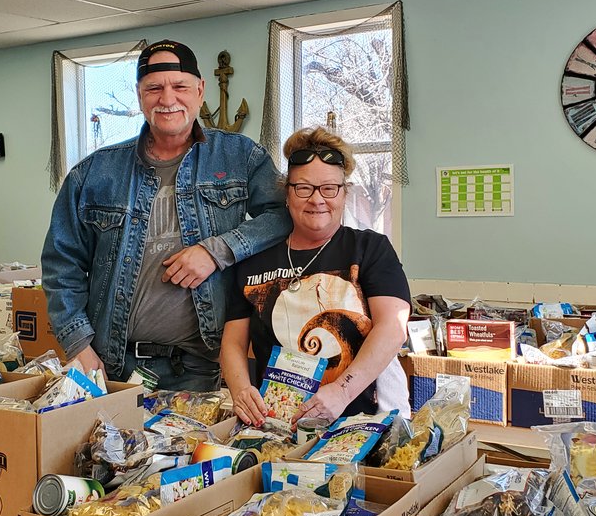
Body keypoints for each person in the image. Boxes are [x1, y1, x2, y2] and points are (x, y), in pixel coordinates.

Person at [42, 39, 292, 392]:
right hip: (113, 365)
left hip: (202, 366)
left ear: (200, 90)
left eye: (180, 86)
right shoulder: (94, 173)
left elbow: (284, 216)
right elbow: (61, 264)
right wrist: (77, 342)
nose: (167, 98)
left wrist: (217, 251)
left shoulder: (240, 156)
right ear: (139, 95)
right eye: (154, 88)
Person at [222, 127, 411, 425]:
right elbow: (233, 342)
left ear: (344, 193)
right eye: (304, 188)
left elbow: (392, 328)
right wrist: (241, 390)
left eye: (329, 188)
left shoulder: (369, 248)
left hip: (360, 423)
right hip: (278, 422)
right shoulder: (253, 260)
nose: (317, 199)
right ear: (287, 193)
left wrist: (341, 392)